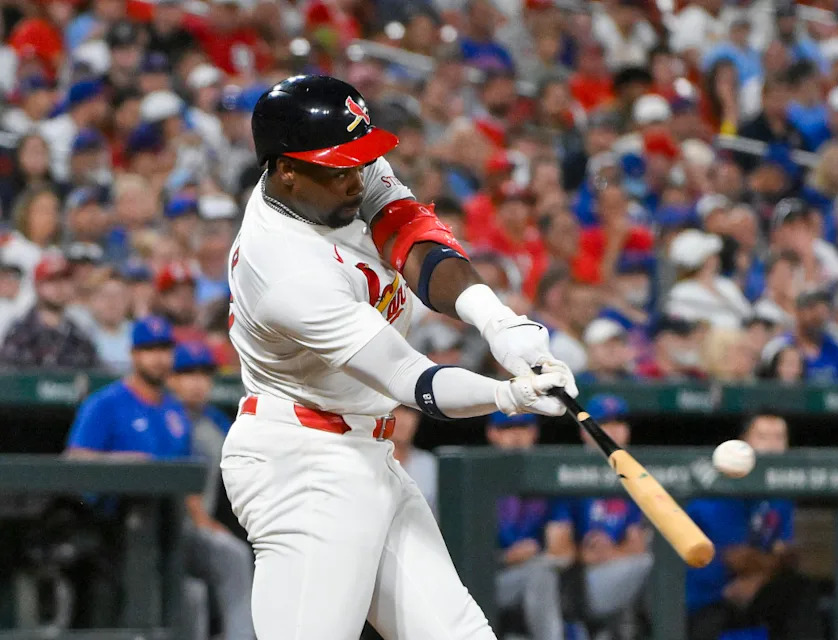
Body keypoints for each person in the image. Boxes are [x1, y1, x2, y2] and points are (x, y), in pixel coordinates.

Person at [221, 75, 576, 640]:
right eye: (341, 167)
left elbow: (410, 234)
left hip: (365, 448)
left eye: (361, 160)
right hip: (304, 462)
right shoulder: (284, 267)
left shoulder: (335, 174)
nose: (357, 177)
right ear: (285, 169)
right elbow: (412, 378)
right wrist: (507, 394)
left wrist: (496, 320)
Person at [64, 317, 256, 640]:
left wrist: (202, 520)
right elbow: (73, 460)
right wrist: (121, 462)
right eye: (149, 349)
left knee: (231, 555)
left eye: (164, 349)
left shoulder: (174, 410)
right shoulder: (106, 403)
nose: (158, 358)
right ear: (134, 354)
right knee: (189, 593)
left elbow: (186, 478)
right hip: (114, 530)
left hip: (172, 529)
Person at [686, 414, 823, 640]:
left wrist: (760, 576)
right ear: (743, 442)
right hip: (704, 602)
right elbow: (738, 558)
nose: (772, 446)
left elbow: (786, 554)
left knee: (798, 590)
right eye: (762, 437)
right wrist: (771, 565)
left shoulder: (780, 491)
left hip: (751, 591)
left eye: (779, 437)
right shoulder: (721, 486)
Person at [546, 394, 653, 634]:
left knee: (653, 562)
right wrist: (583, 553)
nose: (613, 430)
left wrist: (612, 552)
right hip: (579, 580)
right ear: (584, 431)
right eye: (604, 423)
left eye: (619, 423)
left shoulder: (635, 474)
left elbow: (638, 545)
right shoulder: (568, 473)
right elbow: (558, 551)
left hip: (618, 568)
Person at [487, 411, 565, 640]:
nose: (516, 436)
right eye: (507, 428)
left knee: (542, 572)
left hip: (535, 574)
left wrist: (540, 553)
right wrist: (506, 557)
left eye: (522, 427)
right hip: (486, 579)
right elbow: (464, 556)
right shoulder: (478, 477)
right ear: (492, 433)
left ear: (534, 432)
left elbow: (562, 549)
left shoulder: (546, 477)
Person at [0, 255, 99, 369]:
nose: (60, 287)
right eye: (52, 281)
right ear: (37, 286)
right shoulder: (19, 332)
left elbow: (95, 371)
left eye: (65, 280)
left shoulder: (80, 333)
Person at [666, 229, 752, 329]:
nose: (716, 260)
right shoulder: (682, 291)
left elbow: (747, 314)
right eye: (711, 256)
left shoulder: (726, 285)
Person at [784, 289, 838, 383]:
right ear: (798, 312)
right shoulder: (781, 346)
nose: (818, 314)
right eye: (812, 308)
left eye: (823, 309)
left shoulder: (834, 349)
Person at [389, 406, 438, 515]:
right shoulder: (368, 461)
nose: (402, 421)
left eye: (409, 412)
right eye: (397, 412)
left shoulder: (429, 464)